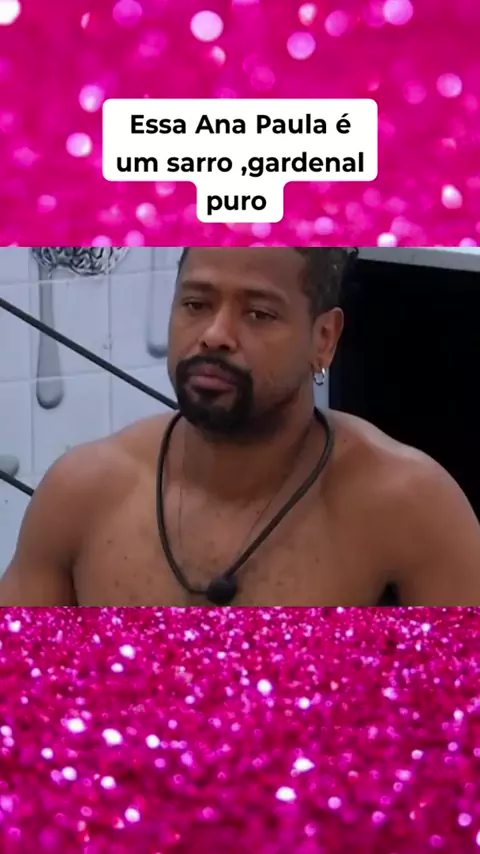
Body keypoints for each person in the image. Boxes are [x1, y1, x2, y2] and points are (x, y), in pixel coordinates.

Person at [1, 246, 480, 607]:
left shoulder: (410, 507)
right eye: (196, 305)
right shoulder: (81, 494)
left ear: (323, 339)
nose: (215, 335)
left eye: (258, 313)